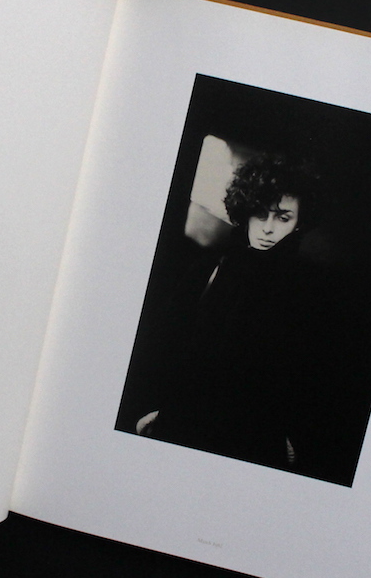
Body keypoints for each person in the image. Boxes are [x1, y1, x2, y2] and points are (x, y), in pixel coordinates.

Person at [136, 150, 332, 475]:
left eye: (283, 218)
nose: (268, 228)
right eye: (260, 214)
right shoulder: (210, 268)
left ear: (300, 222)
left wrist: (291, 434)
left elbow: (309, 374)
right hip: (186, 423)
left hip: (253, 439)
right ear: (246, 211)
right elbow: (166, 342)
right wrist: (156, 407)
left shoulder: (308, 291)